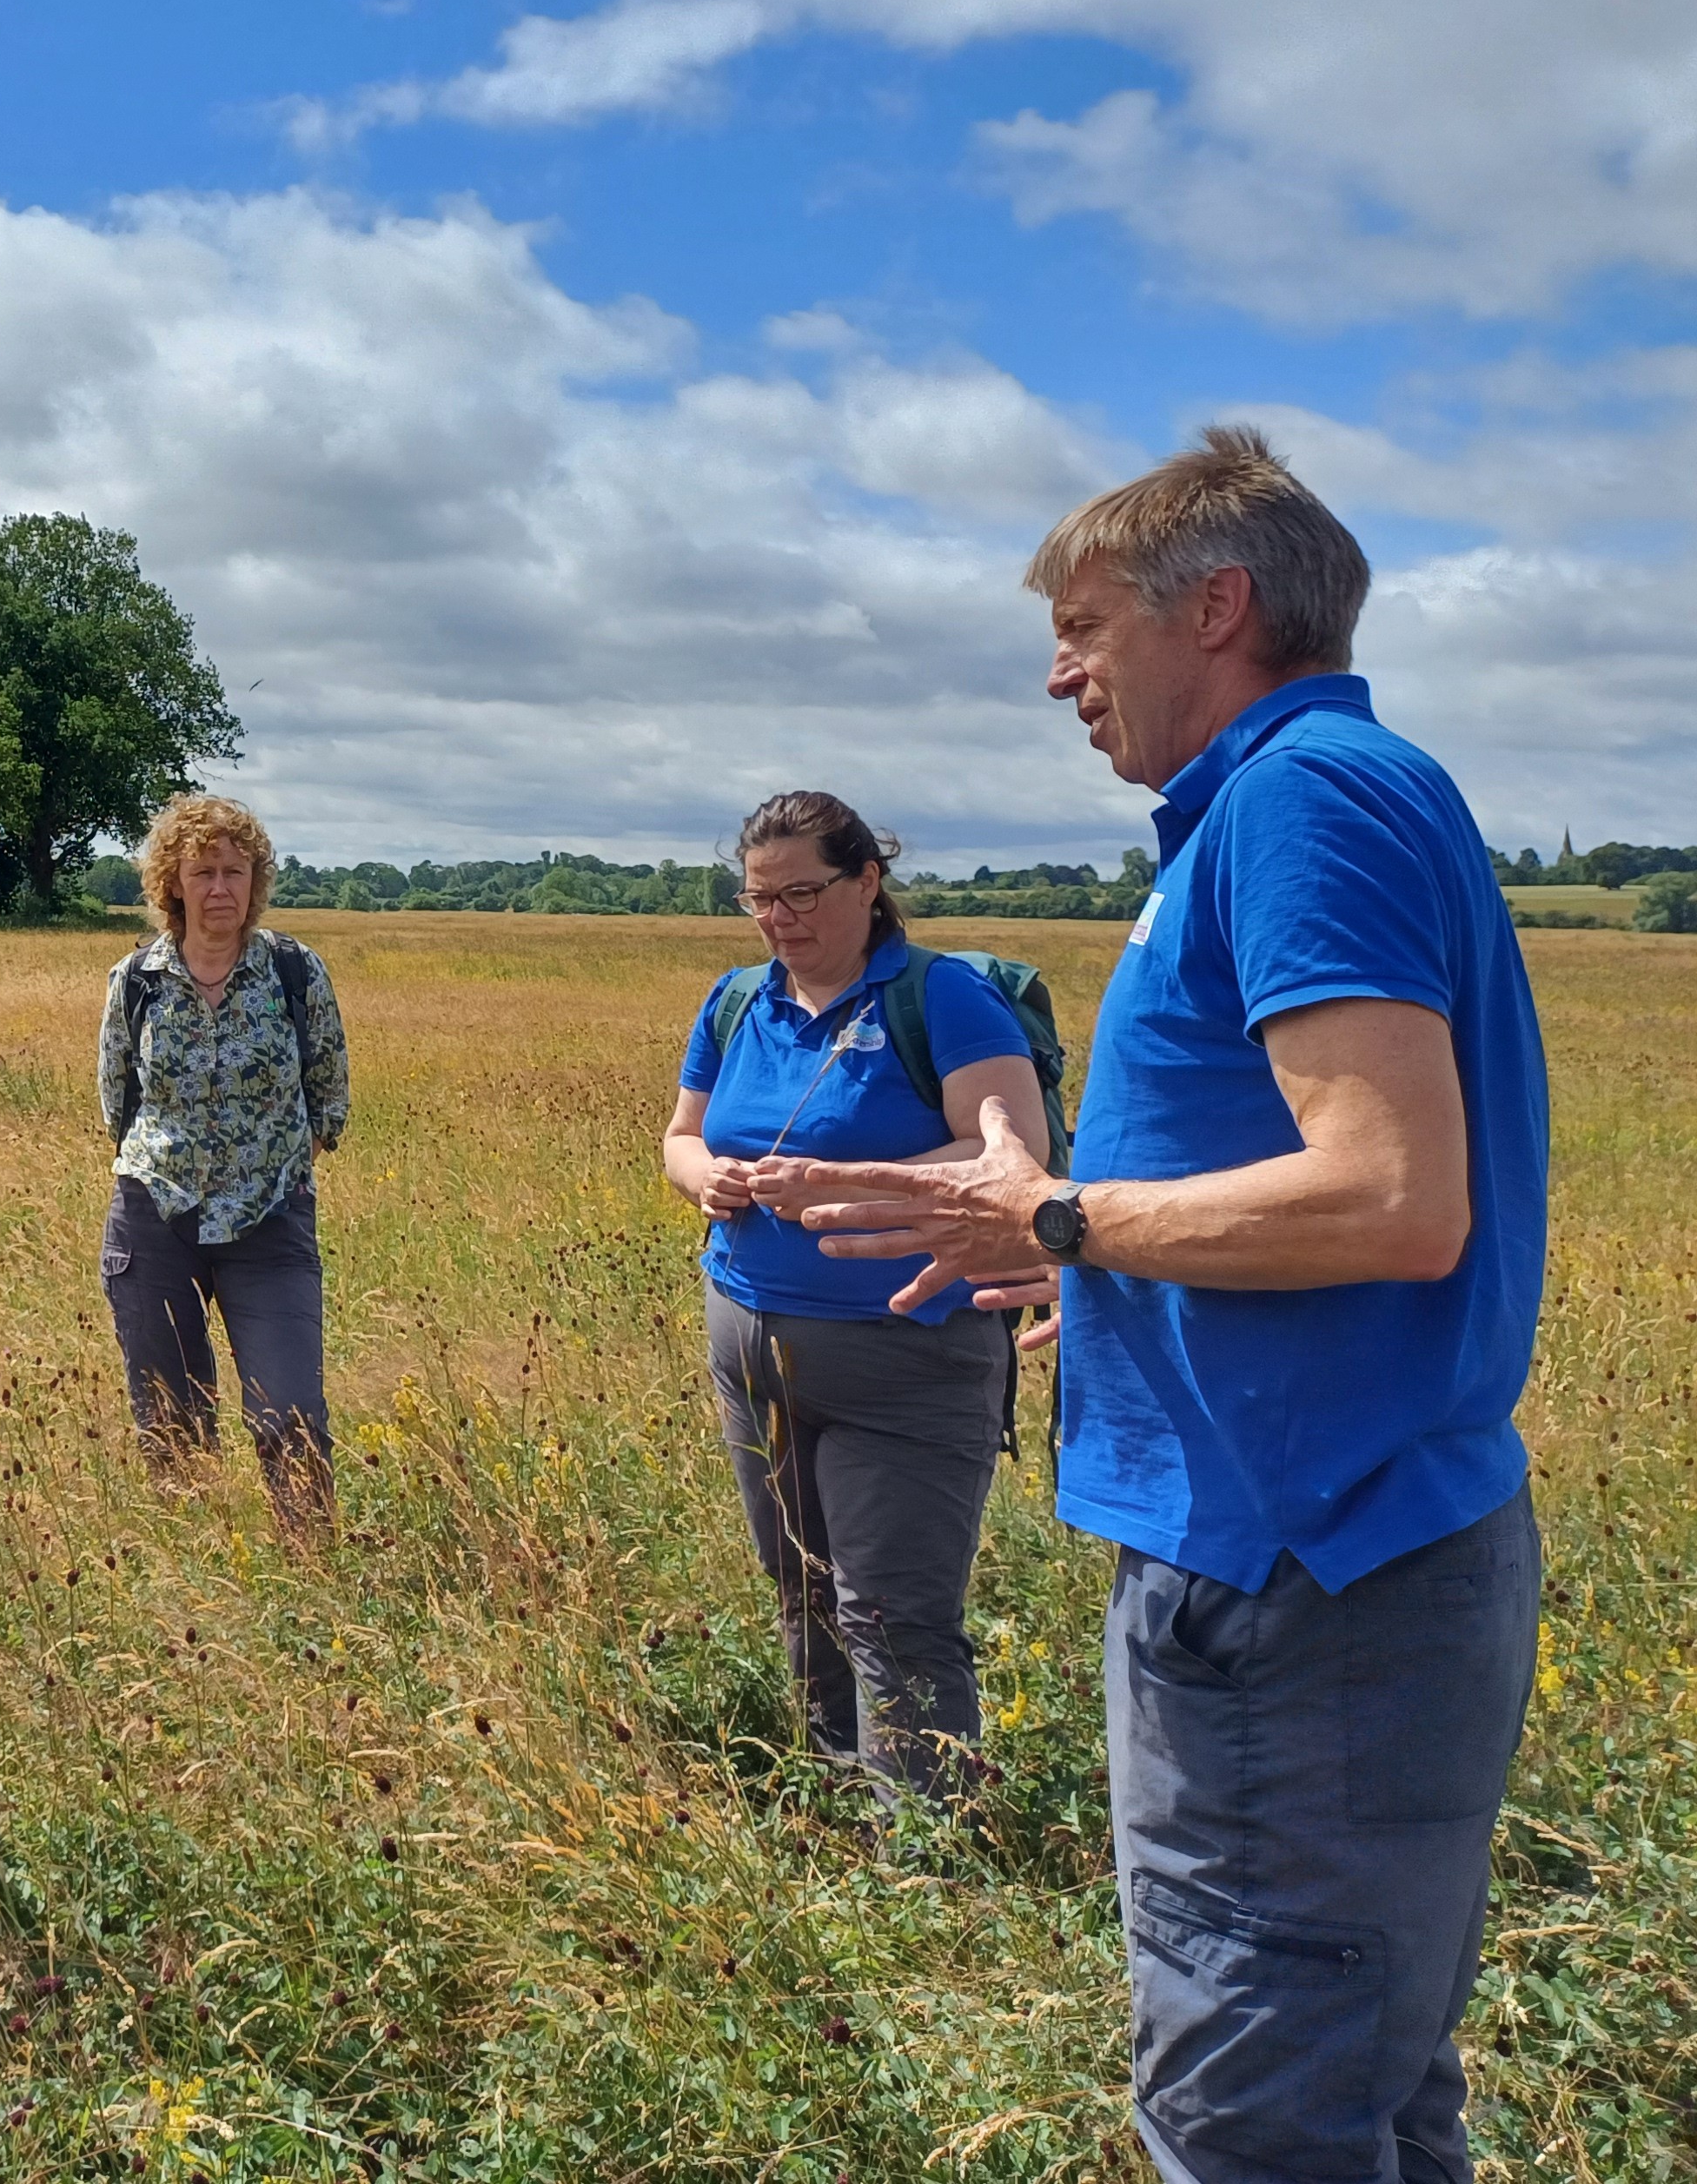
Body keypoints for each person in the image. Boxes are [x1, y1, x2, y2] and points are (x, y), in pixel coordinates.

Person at [776, 428, 1548, 2184]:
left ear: (1215, 608)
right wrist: (1096, 1268)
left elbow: (1387, 1195)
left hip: (1300, 1581)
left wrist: (1053, 1207)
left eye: (1083, 626)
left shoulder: (1297, 798)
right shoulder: (1309, 798)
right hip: (1331, 1556)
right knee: (1362, 2097)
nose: (1058, 674)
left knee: (1253, 2117)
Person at [660, 791, 1049, 1802]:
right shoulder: (738, 1000)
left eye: (802, 893)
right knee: (799, 1586)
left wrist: (845, 1185)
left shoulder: (941, 997)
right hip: (750, 1345)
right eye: (757, 900)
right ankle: (838, 1794)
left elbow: (1011, 1155)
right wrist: (704, 1178)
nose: (780, 919)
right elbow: (681, 1135)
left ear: (867, 882)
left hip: (907, 1357)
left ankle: (926, 1849)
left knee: (892, 1614)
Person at [95, 791, 348, 1532]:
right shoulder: (136, 980)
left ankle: (311, 1568)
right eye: (203, 872)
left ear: (256, 882)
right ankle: (203, 1572)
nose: (220, 890)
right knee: (171, 1416)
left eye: (235, 872)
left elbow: (329, 1096)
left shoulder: (294, 974)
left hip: (269, 1220)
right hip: (155, 1220)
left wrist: (274, 1167)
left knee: (291, 1409)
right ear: (171, 883)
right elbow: (117, 1100)